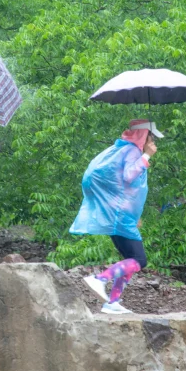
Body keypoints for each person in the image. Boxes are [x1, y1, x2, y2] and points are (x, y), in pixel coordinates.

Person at [69, 119, 162, 314]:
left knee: (130, 258)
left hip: (121, 217)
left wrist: (134, 215)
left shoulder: (124, 150)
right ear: (143, 135)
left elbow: (126, 189)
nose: (153, 141)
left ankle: (113, 302)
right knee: (139, 260)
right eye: (151, 137)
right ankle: (99, 279)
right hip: (120, 219)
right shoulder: (132, 151)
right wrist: (147, 155)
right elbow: (129, 176)